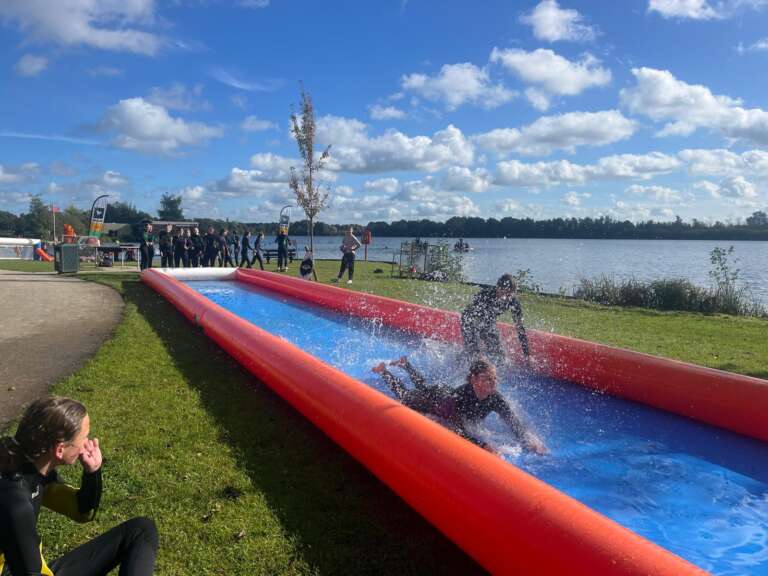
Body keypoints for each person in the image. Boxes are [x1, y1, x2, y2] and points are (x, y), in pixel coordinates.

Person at [0, 396, 158, 575]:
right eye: (84, 437)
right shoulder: (15, 501)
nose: (86, 444)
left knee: (140, 530)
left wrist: (92, 473)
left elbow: (81, 511)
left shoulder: (23, 463)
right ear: (60, 449)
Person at [372, 357, 546, 455]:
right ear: (474, 380)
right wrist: (481, 445)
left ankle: (406, 365)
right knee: (406, 395)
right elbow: (455, 429)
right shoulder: (459, 397)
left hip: (445, 393)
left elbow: (512, 421)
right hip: (438, 401)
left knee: (423, 385)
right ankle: (384, 371)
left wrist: (528, 440)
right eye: (487, 378)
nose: (493, 382)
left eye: (494, 378)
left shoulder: (495, 398)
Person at [460, 273, 530, 367]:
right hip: (469, 320)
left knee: (500, 355)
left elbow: (520, 328)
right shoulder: (485, 295)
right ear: (497, 288)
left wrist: (527, 354)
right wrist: (476, 348)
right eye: (503, 293)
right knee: (474, 354)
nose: (505, 297)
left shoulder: (513, 301)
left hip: (488, 321)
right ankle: (461, 360)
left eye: (509, 294)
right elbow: (472, 320)